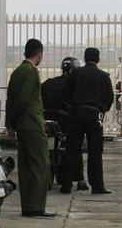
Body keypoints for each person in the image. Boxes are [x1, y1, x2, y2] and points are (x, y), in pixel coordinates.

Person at [6, 38, 55, 218]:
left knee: (26, 167)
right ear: (39, 54)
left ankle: (27, 207)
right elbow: (23, 100)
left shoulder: (17, 71)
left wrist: (10, 124)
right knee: (41, 165)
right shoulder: (32, 72)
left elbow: (10, 100)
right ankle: (37, 207)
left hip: (21, 126)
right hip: (32, 125)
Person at [64, 47, 114, 194]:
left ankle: (66, 184)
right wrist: (101, 109)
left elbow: (66, 92)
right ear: (98, 59)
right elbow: (110, 99)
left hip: (77, 115)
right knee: (95, 152)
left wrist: (72, 106)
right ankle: (97, 185)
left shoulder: (76, 74)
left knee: (72, 150)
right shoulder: (103, 76)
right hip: (94, 116)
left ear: (84, 59)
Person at [41, 56, 89, 193]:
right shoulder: (74, 86)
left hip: (47, 119)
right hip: (66, 121)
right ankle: (80, 179)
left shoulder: (49, 83)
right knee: (75, 147)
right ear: (73, 70)